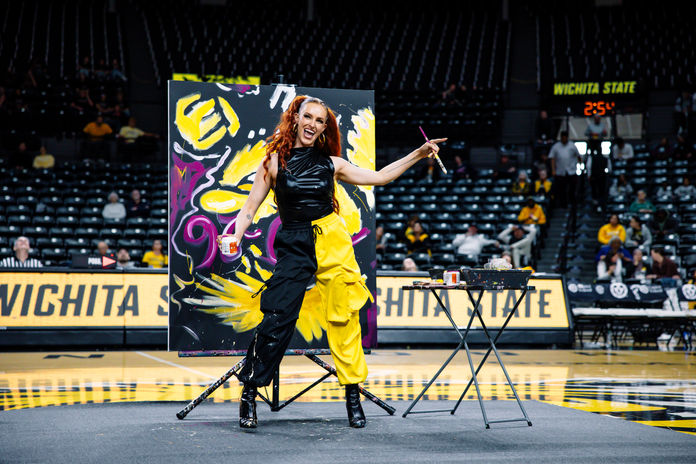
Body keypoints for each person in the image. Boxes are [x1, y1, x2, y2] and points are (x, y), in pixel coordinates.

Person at [215, 95, 445, 429]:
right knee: (277, 318)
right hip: (295, 243)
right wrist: (233, 234)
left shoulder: (332, 164)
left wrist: (419, 153)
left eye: (319, 121)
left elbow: (380, 176)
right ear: (296, 118)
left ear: (324, 128)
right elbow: (249, 209)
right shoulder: (272, 162)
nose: (312, 124)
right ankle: (249, 393)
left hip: (332, 240)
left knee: (344, 320)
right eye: (307, 117)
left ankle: (353, 396)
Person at [549, 131, 580, 208]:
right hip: (560, 172)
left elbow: (578, 156)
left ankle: (573, 204)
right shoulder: (556, 146)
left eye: (565, 137)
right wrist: (553, 170)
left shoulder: (572, 146)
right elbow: (552, 158)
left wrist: (579, 167)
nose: (564, 139)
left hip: (571, 171)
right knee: (561, 189)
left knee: (572, 189)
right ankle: (563, 204)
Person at [586, 144, 611, 212]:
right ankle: (598, 205)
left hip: (596, 177)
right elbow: (609, 169)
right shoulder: (605, 158)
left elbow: (588, 167)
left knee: (597, 192)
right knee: (599, 192)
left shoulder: (593, 157)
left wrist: (589, 175)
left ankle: (598, 205)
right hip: (600, 177)